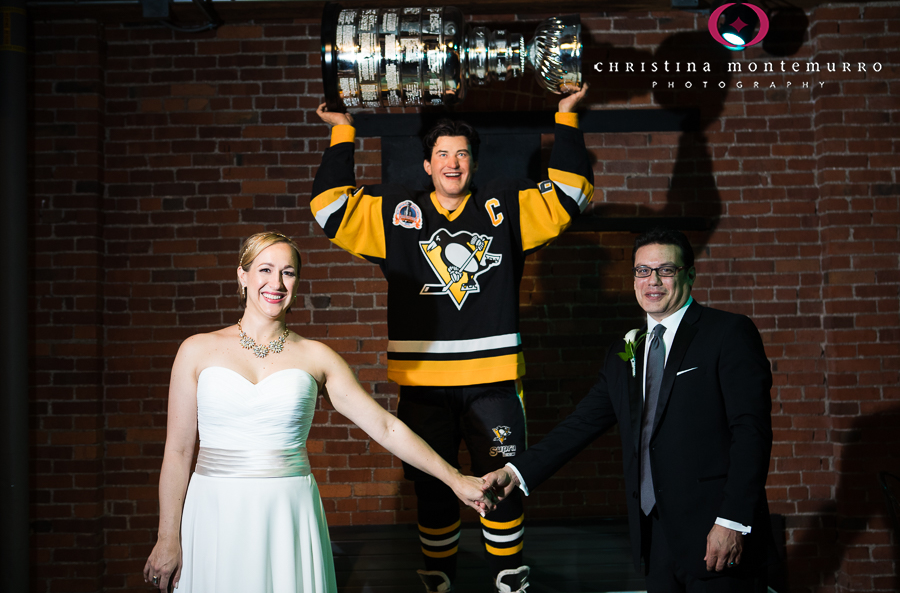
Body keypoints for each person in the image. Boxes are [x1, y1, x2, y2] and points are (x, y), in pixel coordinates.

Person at [310, 87, 594, 593]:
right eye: (442, 153)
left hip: (494, 383)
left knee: (502, 483)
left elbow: (571, 197)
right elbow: (330, 210)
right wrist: (342, 130)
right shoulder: (399, 213)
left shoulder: (502, 205)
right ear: (426, 165)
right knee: (433, 486)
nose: (452, 162)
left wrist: (565, 118)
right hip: (423, 383)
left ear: (474, 162)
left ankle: (508, 577)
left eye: (462, 153)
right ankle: (438, 579)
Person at [142, 232, 493, 593]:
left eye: (288, 272)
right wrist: (168, 535)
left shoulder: (317, 357)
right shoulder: (196, 350)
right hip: (214, 510)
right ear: (242, 276)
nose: (276, 283)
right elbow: (179, 451)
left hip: (288, 512)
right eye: (265, 269)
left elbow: (386, 427)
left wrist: (454, 478)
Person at [483, 228, 776, 593]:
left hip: (717, 535)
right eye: (642, 271)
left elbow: (751, 433)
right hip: (653, 539)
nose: (652, 281)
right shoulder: (625, 351)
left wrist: (733, 522)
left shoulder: (727, 333)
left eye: (665, 270)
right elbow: (580, 424)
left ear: (689, 274)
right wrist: (515, 472)